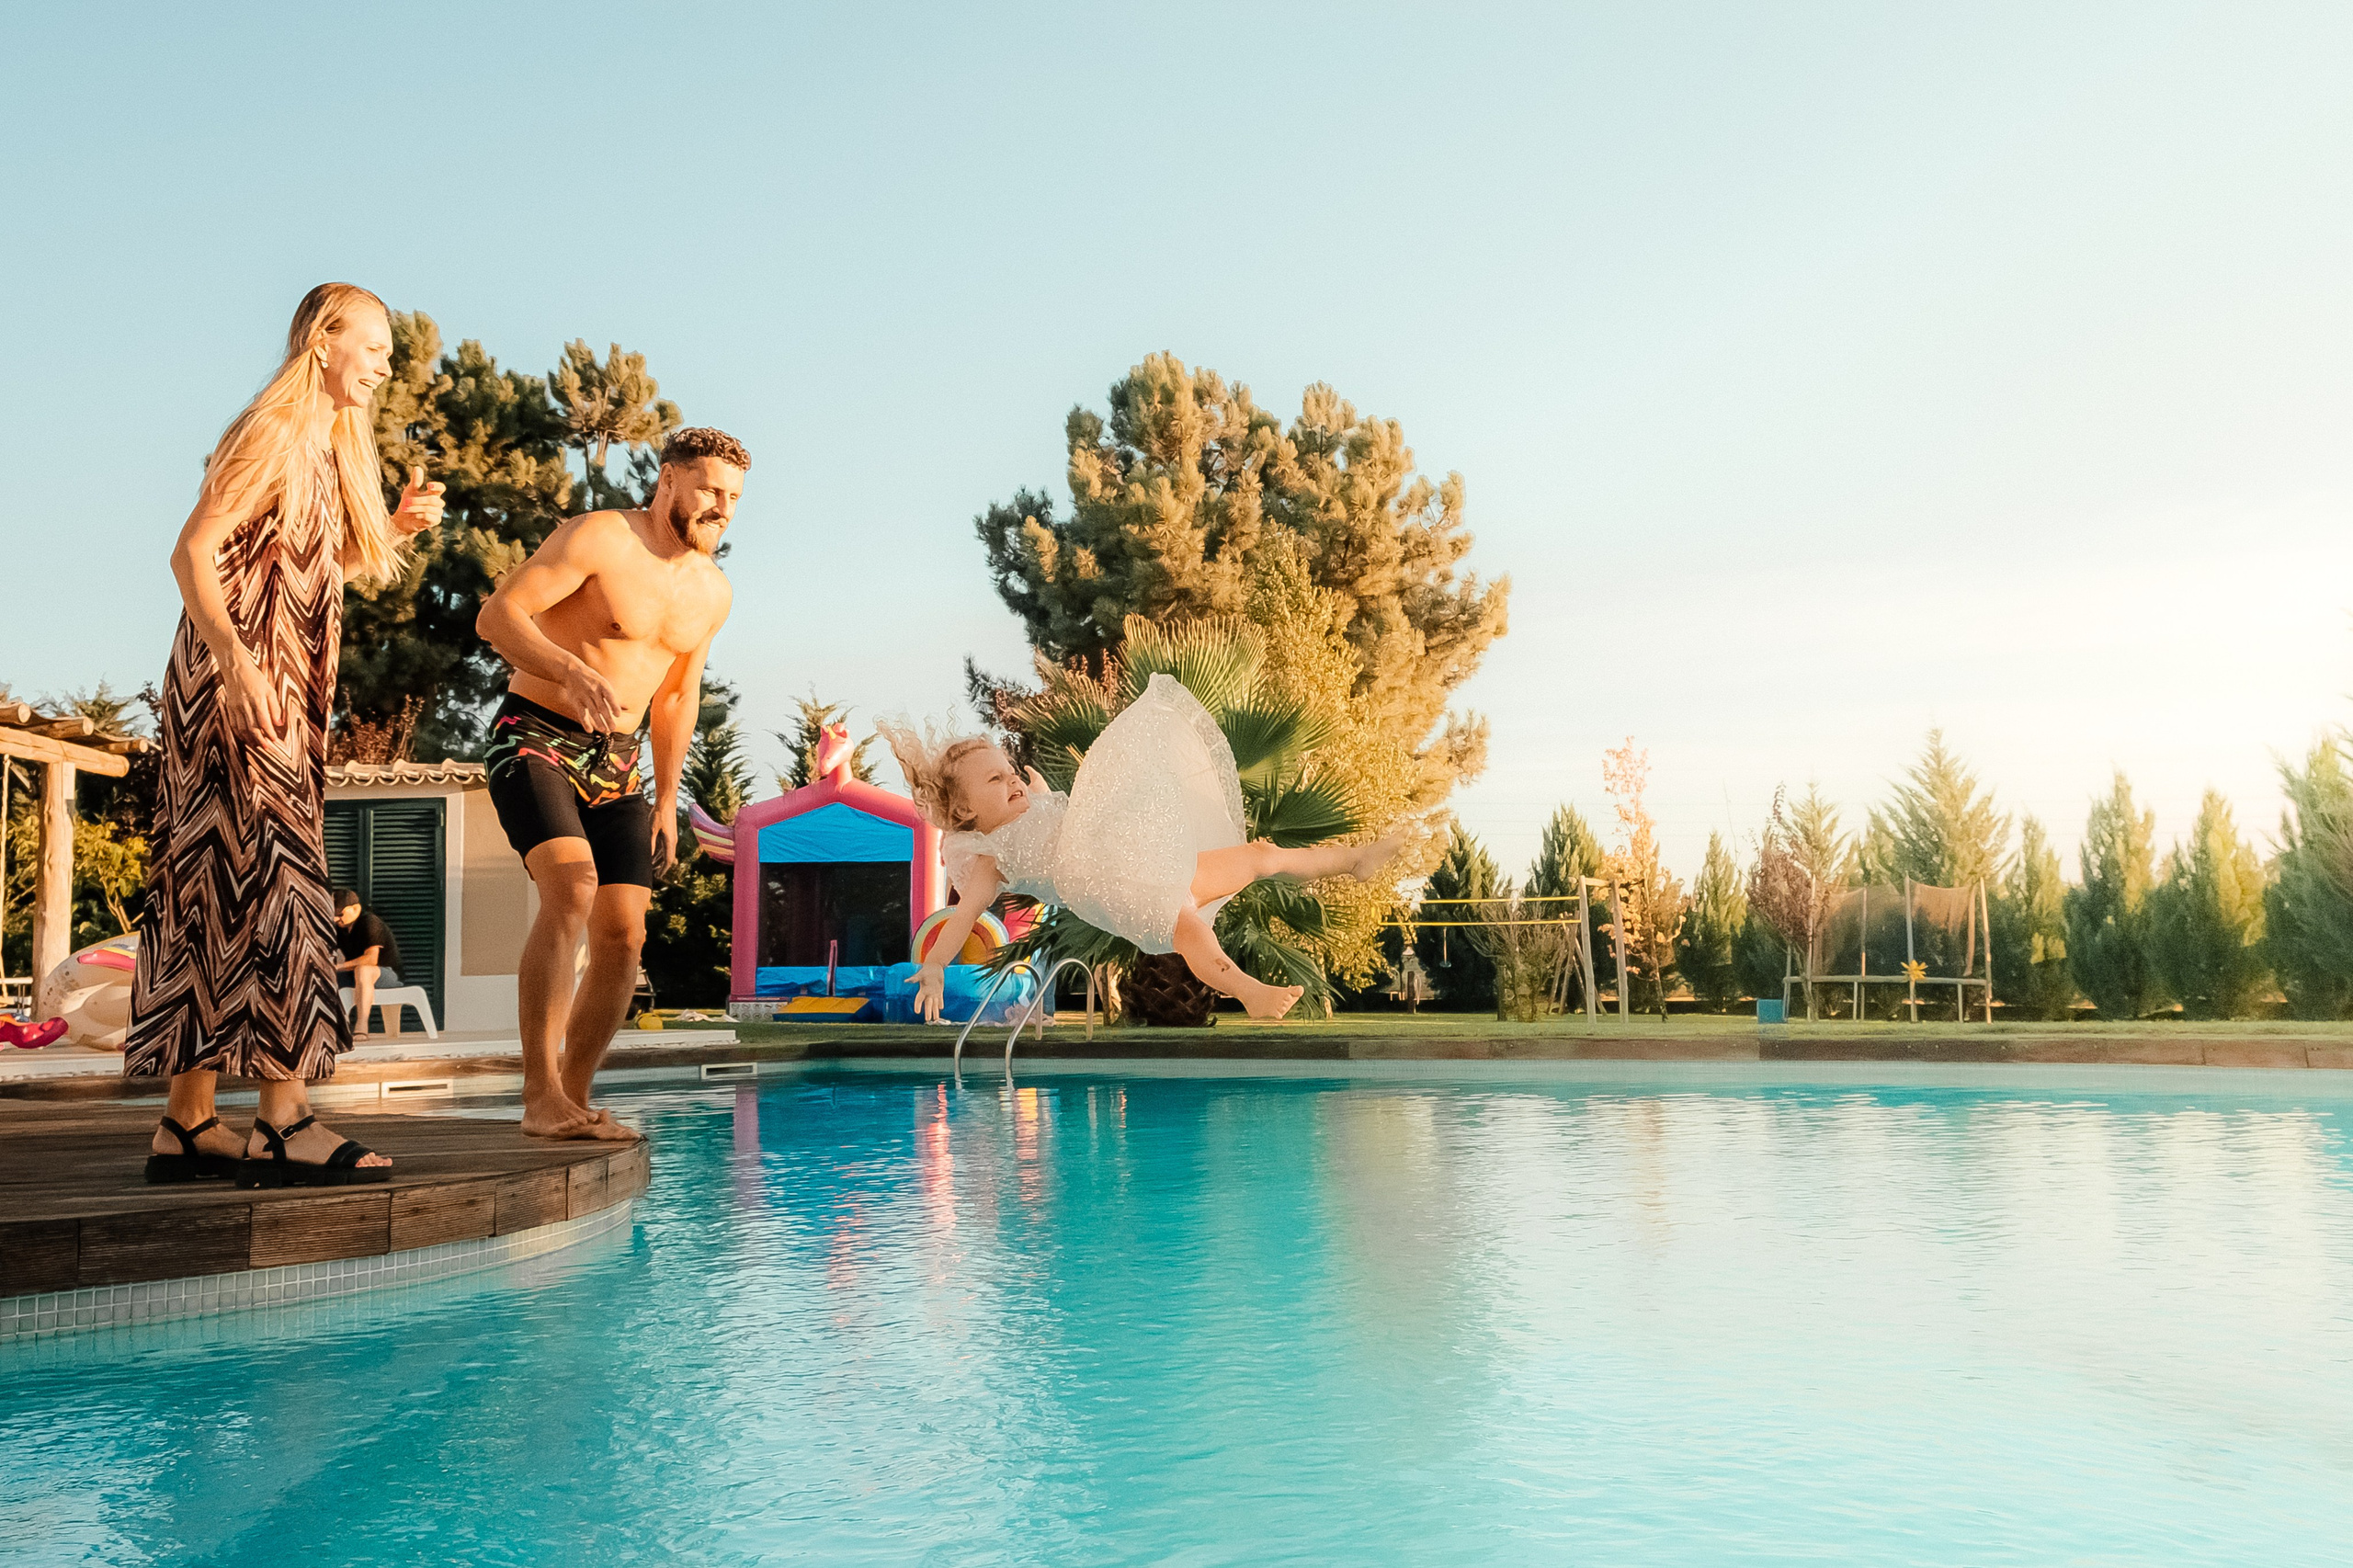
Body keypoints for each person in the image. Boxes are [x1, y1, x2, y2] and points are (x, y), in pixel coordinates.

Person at [128, 283, 445, 1187]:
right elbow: (194, 550)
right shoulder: (272, 433)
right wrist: (235, 660)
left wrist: (384, 530)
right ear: (322, 341)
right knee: (283, 891)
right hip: (240, 690)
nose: (386, 361)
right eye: (374, 343)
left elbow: (299, 570)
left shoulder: (320, 451)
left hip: (274, 692)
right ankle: (284, 1117)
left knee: (212, 894)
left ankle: (186, 1123)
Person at [475, 427, 745, 1140]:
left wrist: (665, 798)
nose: (725, 506)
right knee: (571, 888)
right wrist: (566, 668)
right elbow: (497, 615)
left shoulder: (712, 591)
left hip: (620, 762)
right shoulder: (599, 537)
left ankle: (572, 1098)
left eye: (736, 497)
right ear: (669, 481)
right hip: (534, 733)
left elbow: (678, 697)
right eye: (713, 490)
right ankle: (538, 1094)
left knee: (625, 936)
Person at [878, 676, 1402, 1022]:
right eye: (995, 780)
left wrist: (1032, 791)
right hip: (1109, 887)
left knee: (1260, 854)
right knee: (1191, 929)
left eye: (1010, 771)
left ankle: (1353, 861)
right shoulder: (992, 859)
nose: (1012, 781)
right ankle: (1250, 993)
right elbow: (964, 915)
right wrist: (936, 965)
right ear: (966, 812)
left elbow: (1054, 808)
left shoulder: (1030, 802)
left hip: (1143, 860)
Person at [331, 888, 406, 1040]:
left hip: (387, 975)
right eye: (333, 915)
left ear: (355, 908)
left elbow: (371, 959)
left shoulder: (370, 922)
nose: (336, 919)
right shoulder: (341, 928)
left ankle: (362, 1026)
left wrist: (338, 967)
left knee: (364, 970)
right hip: (355, 974)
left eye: (340, 914)